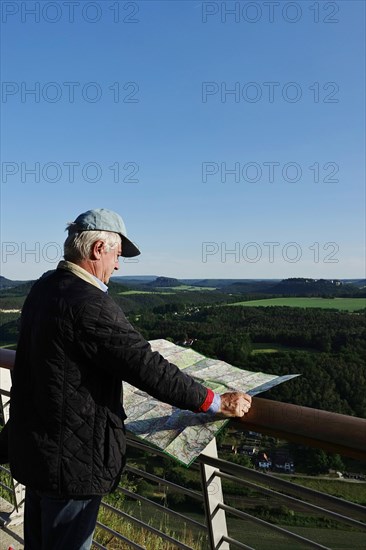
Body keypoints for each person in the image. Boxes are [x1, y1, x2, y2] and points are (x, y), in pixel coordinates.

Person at [4, 208, 252, 550]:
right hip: (70, 464)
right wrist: (214, 401)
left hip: (36, 450)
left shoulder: (45, 287)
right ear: (97, 250)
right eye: (117, 255)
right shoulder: (89, 303)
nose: (118, 266)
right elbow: (146, 367)